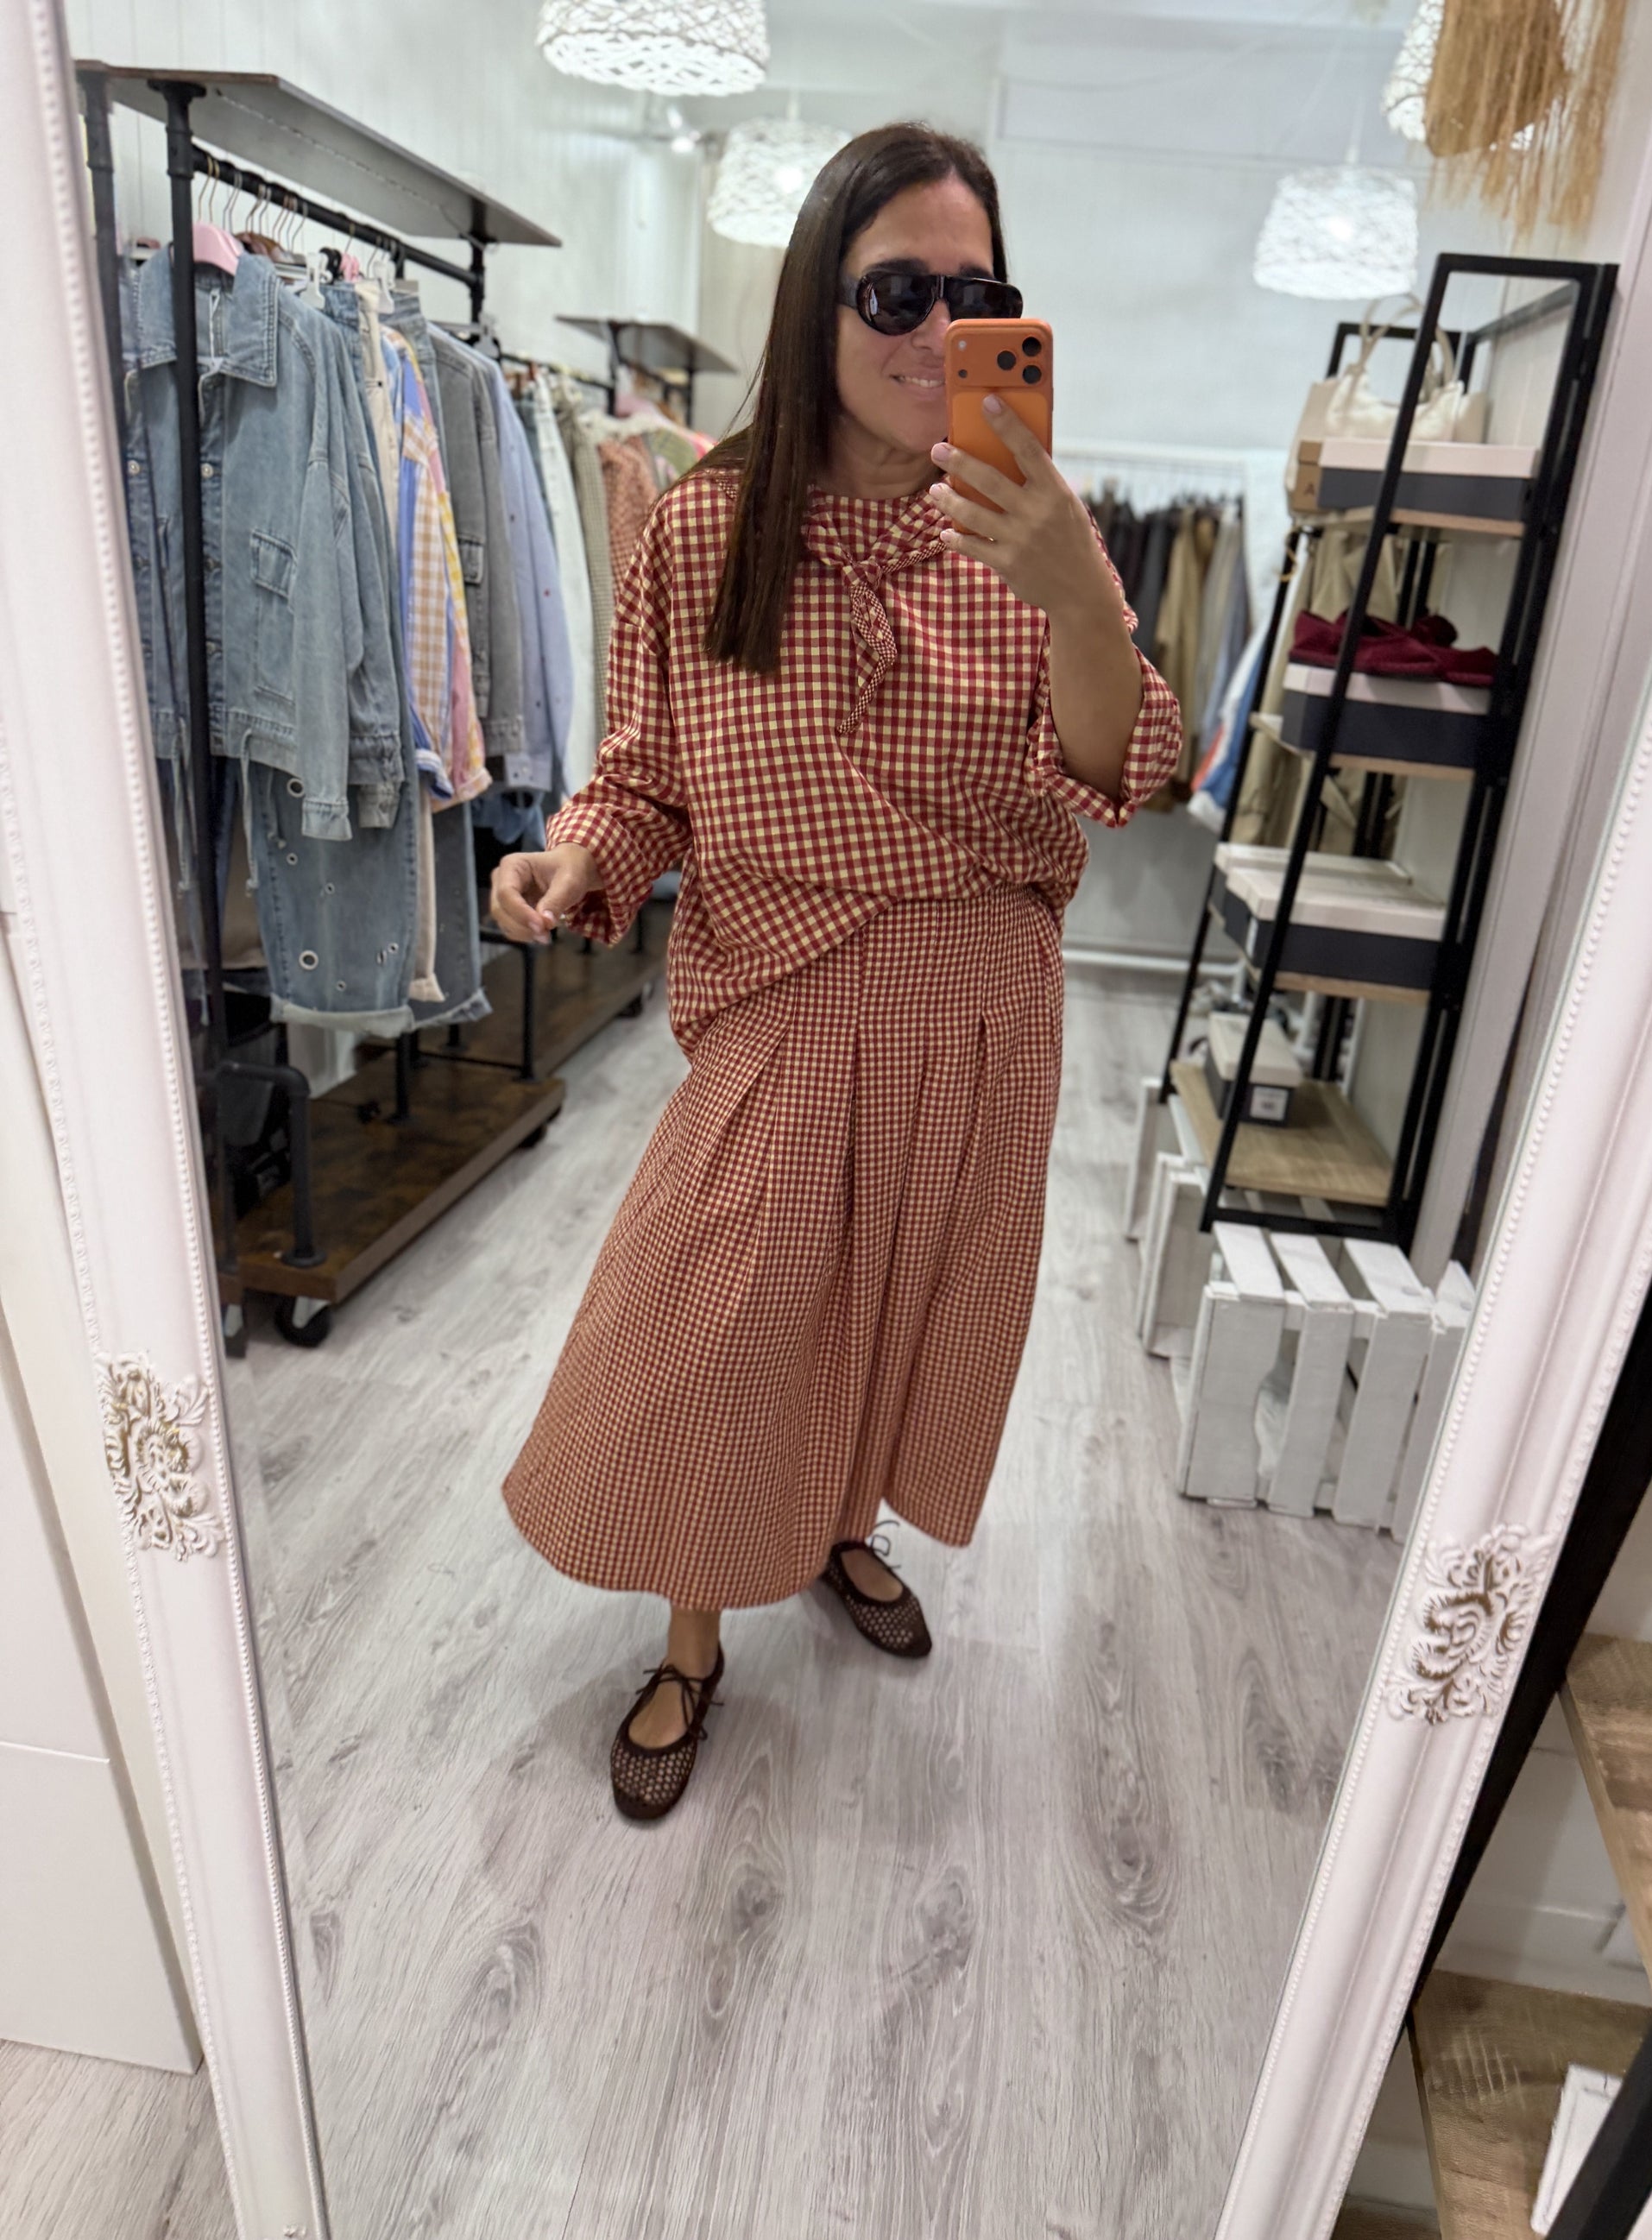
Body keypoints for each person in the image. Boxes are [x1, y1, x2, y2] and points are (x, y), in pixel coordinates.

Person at [490, 122, 1182, 1822]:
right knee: (721, 1331)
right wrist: (584, 855)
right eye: (894, 292)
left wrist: (1077, 601)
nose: (937, 329)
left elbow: (1122, 768)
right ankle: (693, 1633)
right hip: (787, 1005)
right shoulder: (701, 526)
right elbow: (646, 773)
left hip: (984, 1008)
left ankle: (837, 1528)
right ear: (815, 304)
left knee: (909, 1311)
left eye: (975, 295)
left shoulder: (1028, 531)